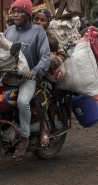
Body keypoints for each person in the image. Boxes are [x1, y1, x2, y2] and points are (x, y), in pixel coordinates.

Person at [4, 0, 50, 161]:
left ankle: (24, 138)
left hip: (28, 78)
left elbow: (45, 57)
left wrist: (35, 71)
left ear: (28, 14)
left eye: (19, 12)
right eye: (13, 11)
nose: (15, 15)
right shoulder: (8, 31)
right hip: (8, 75)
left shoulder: (38, 31)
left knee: (23, 102)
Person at [32, 9, 67, 147]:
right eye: (36, 19)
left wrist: (49, 64)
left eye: (42, 20)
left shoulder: (51, 37)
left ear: (48, 23)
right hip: (26, 74)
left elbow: (62, 54)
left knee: (38, 99)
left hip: (43, 78)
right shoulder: (25, 33)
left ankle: (43, 131)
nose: (39, 22)